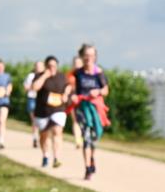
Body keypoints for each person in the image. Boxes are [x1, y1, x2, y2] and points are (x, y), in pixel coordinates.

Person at [70, 43, 110, 181]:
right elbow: (73, 90)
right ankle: (87, 167)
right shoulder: (77, 73)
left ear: (95, 57)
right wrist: (73, 96)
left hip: (96, 109)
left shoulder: (99, 73)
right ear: (82, 56)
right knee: (86, 137)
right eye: (86, 55)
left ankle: (91, 157)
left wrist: (98, 91)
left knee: (94, 137)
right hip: (82, 108)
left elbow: (106, 90)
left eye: (91, 55)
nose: (89, 58)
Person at [31, 56, 72, 168]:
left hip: (58, 109)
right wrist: (44, 76)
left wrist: (66, 94)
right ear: (46, 66)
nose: (52, 68)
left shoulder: (62, 76)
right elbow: (34, 88)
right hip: (42, 111)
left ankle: (56, 158)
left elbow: (68, 86)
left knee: (57, 131)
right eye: (49, 66)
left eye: (54, 66)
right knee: (44, 135)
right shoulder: (39, 75)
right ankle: (45, 155)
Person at [24, 61, 44, 148]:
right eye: (37, 66)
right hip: (32, 98)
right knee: (35, 120)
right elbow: (26, 88)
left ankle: (41, 138)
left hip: (42, 100)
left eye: (40, 66)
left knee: (41, 121)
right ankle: (35, 138)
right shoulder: (31, 76)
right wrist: (34, 87)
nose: (38, 68)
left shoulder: (44, 76)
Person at [67, 56, 85, 149]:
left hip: (83, 100)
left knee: (84, 120)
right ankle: (78, 140)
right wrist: (70, 95)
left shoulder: (85, 74)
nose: (77, 65)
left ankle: (83, 138)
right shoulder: (70, 75)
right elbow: (66, 87)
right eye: (75, 63)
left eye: (79, 63)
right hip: (73, 100)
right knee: (75, 121)